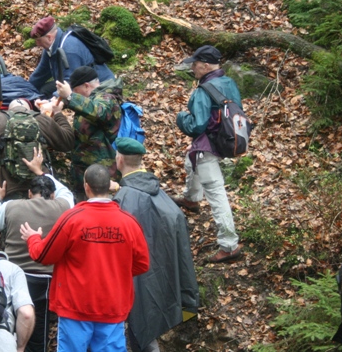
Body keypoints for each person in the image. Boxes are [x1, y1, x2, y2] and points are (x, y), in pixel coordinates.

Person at [20, 164, 150, 352]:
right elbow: (142, 264)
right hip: (112, 305)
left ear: (86, 186)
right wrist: (116, 271)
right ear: (109, 186)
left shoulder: (72, 219)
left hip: (75, 306)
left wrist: (33, 238)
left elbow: (42, 255)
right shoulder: (129, 223)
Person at [110, 137, 199, 352]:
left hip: (131, 282)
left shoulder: (123, 199)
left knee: (140, 333)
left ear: (119, 159)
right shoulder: (161, 195)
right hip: (160, 278)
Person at [0, 147, 74, 352]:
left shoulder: (11, 206)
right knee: (40, 324)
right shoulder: (64, 206)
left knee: (11, 319)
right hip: (46, 279)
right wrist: (40, 171)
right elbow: (65, 191)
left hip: (15, 275)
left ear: (28, 193)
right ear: (52, 195)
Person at [174, 45, 244, 263]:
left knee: (215, 192)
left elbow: (196, 126)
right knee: (190, 159)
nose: (192, 68)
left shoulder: (203, 91)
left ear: (204, 65)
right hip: (225, 139)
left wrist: (180, 118)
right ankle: (192, 198)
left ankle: (229, 245)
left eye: (194, 64)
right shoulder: (229, 82)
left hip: (208, 146)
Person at [0, 99, 74, 200]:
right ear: (29, 109)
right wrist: (57, 113)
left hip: (6, 189)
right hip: (40, 188)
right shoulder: (41, 119)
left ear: (9, 109)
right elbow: (68, 142)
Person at [55, 65, 123, 201]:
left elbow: (98, 112)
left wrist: (70, 96)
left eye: (75, 91)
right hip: (86, 173)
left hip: (103, 175)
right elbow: (84, 107)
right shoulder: (90, 99)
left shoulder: (106, 98)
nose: (74, 94)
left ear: (86, 86)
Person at [28, 16, 115, 98]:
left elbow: (70, 83)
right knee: (44, 90)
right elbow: (40, 73)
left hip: (101, 88)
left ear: (49, 37)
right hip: (77, 84)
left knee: (53, 98)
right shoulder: (50, 48)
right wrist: (25, 89)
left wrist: (52, 102)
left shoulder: (69, 50)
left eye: (39, 40)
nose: (37, 44)